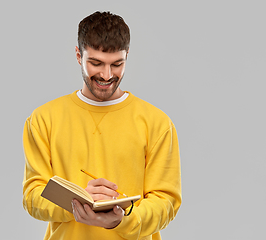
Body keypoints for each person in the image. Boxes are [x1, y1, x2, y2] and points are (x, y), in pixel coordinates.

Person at [22, 11, 182, 240]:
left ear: (127, 56)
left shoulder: (157, 123)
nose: (107, 75)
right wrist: (78, 199)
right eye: (96, 63)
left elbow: (166, 203)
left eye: (117, 64)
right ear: (78, 55)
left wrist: (122, 220)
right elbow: (32, 197)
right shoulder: (43, 119)